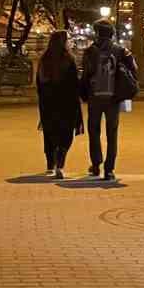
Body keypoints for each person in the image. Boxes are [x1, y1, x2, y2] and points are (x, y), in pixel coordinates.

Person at [78, 21, 136, 182]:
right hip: (113, 98)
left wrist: (83, 94)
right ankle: (109, 169)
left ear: (97, 33)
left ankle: (96, 164)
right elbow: (133, 70)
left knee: (94, 131)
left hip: (95, 97)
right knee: (112, 133)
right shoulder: (121, 51)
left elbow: (85, 75)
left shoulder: (90, 51)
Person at [35, 31, 83, 178]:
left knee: (50, 133)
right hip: (66, 103)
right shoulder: (68, 60)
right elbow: (75, 84)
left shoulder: (44, 60)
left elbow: (39, 83)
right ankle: (60, 164)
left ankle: (50, 164)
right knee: (66, 134)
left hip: (47, 103)